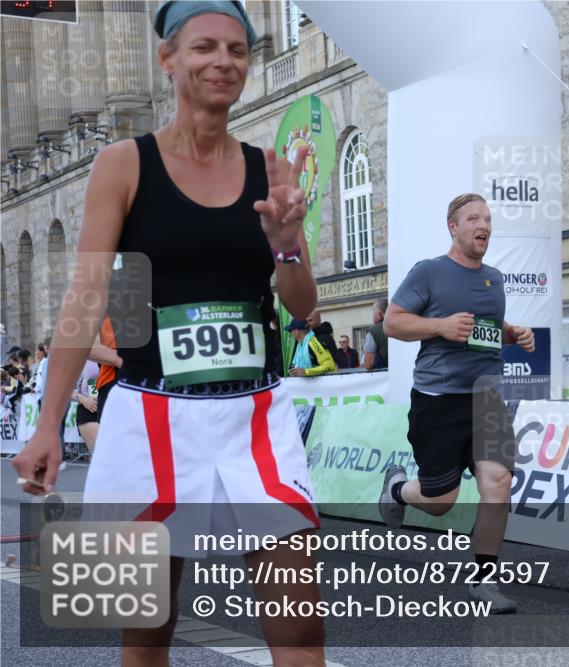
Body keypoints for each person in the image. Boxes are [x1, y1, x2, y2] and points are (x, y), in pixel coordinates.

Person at [12, 3, 325, 663]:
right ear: (168, 60)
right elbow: (85, 296)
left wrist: (286, 242)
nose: (224, 62)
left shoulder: (269, 167)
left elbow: (304, 309)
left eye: (237, 50)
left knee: (299, 624)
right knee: (148, 625)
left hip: (255, 416)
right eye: (205, 47)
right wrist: (48, 423)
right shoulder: (123, 165)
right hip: (149, 415)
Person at [378, 193, 535, 614]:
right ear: (453, 226)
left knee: (497, 483)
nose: (483, 225)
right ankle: (396, 488)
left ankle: (484, 582)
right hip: (438, 399)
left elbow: (483, 330)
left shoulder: (496, 278)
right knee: (441, 500)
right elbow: (392, 322)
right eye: (473, 219)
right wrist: (439, 326)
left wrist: (513, 333)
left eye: (487, 219)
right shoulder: (429, 272)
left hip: (486, 396)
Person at [71, 360, 100, 452]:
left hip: (114, 409)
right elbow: (64, 388)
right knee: (101, 453)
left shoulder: (117, 352)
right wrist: (82, 399)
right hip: (90, 409)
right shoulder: (80, 356)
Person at [361, 297, 389, 370]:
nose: (372, 315)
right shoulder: (401, 326)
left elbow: (368, 364)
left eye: (373, 311)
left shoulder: (374, 330)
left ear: (381, 313)